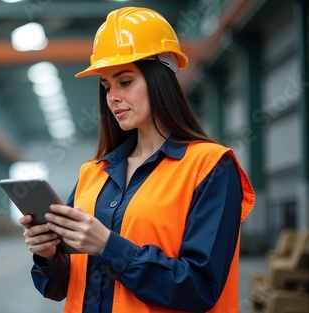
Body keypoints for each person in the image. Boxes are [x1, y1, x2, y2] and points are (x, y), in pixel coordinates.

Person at [19, 6, 255, 313]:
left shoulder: (210, 167)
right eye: (106, 86)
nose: (112, 96)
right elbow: (64, 286)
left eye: (125, 81)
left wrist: (108, 246)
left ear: (161, 80)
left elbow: (199, 288)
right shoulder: (94, 174)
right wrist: (50, 255)